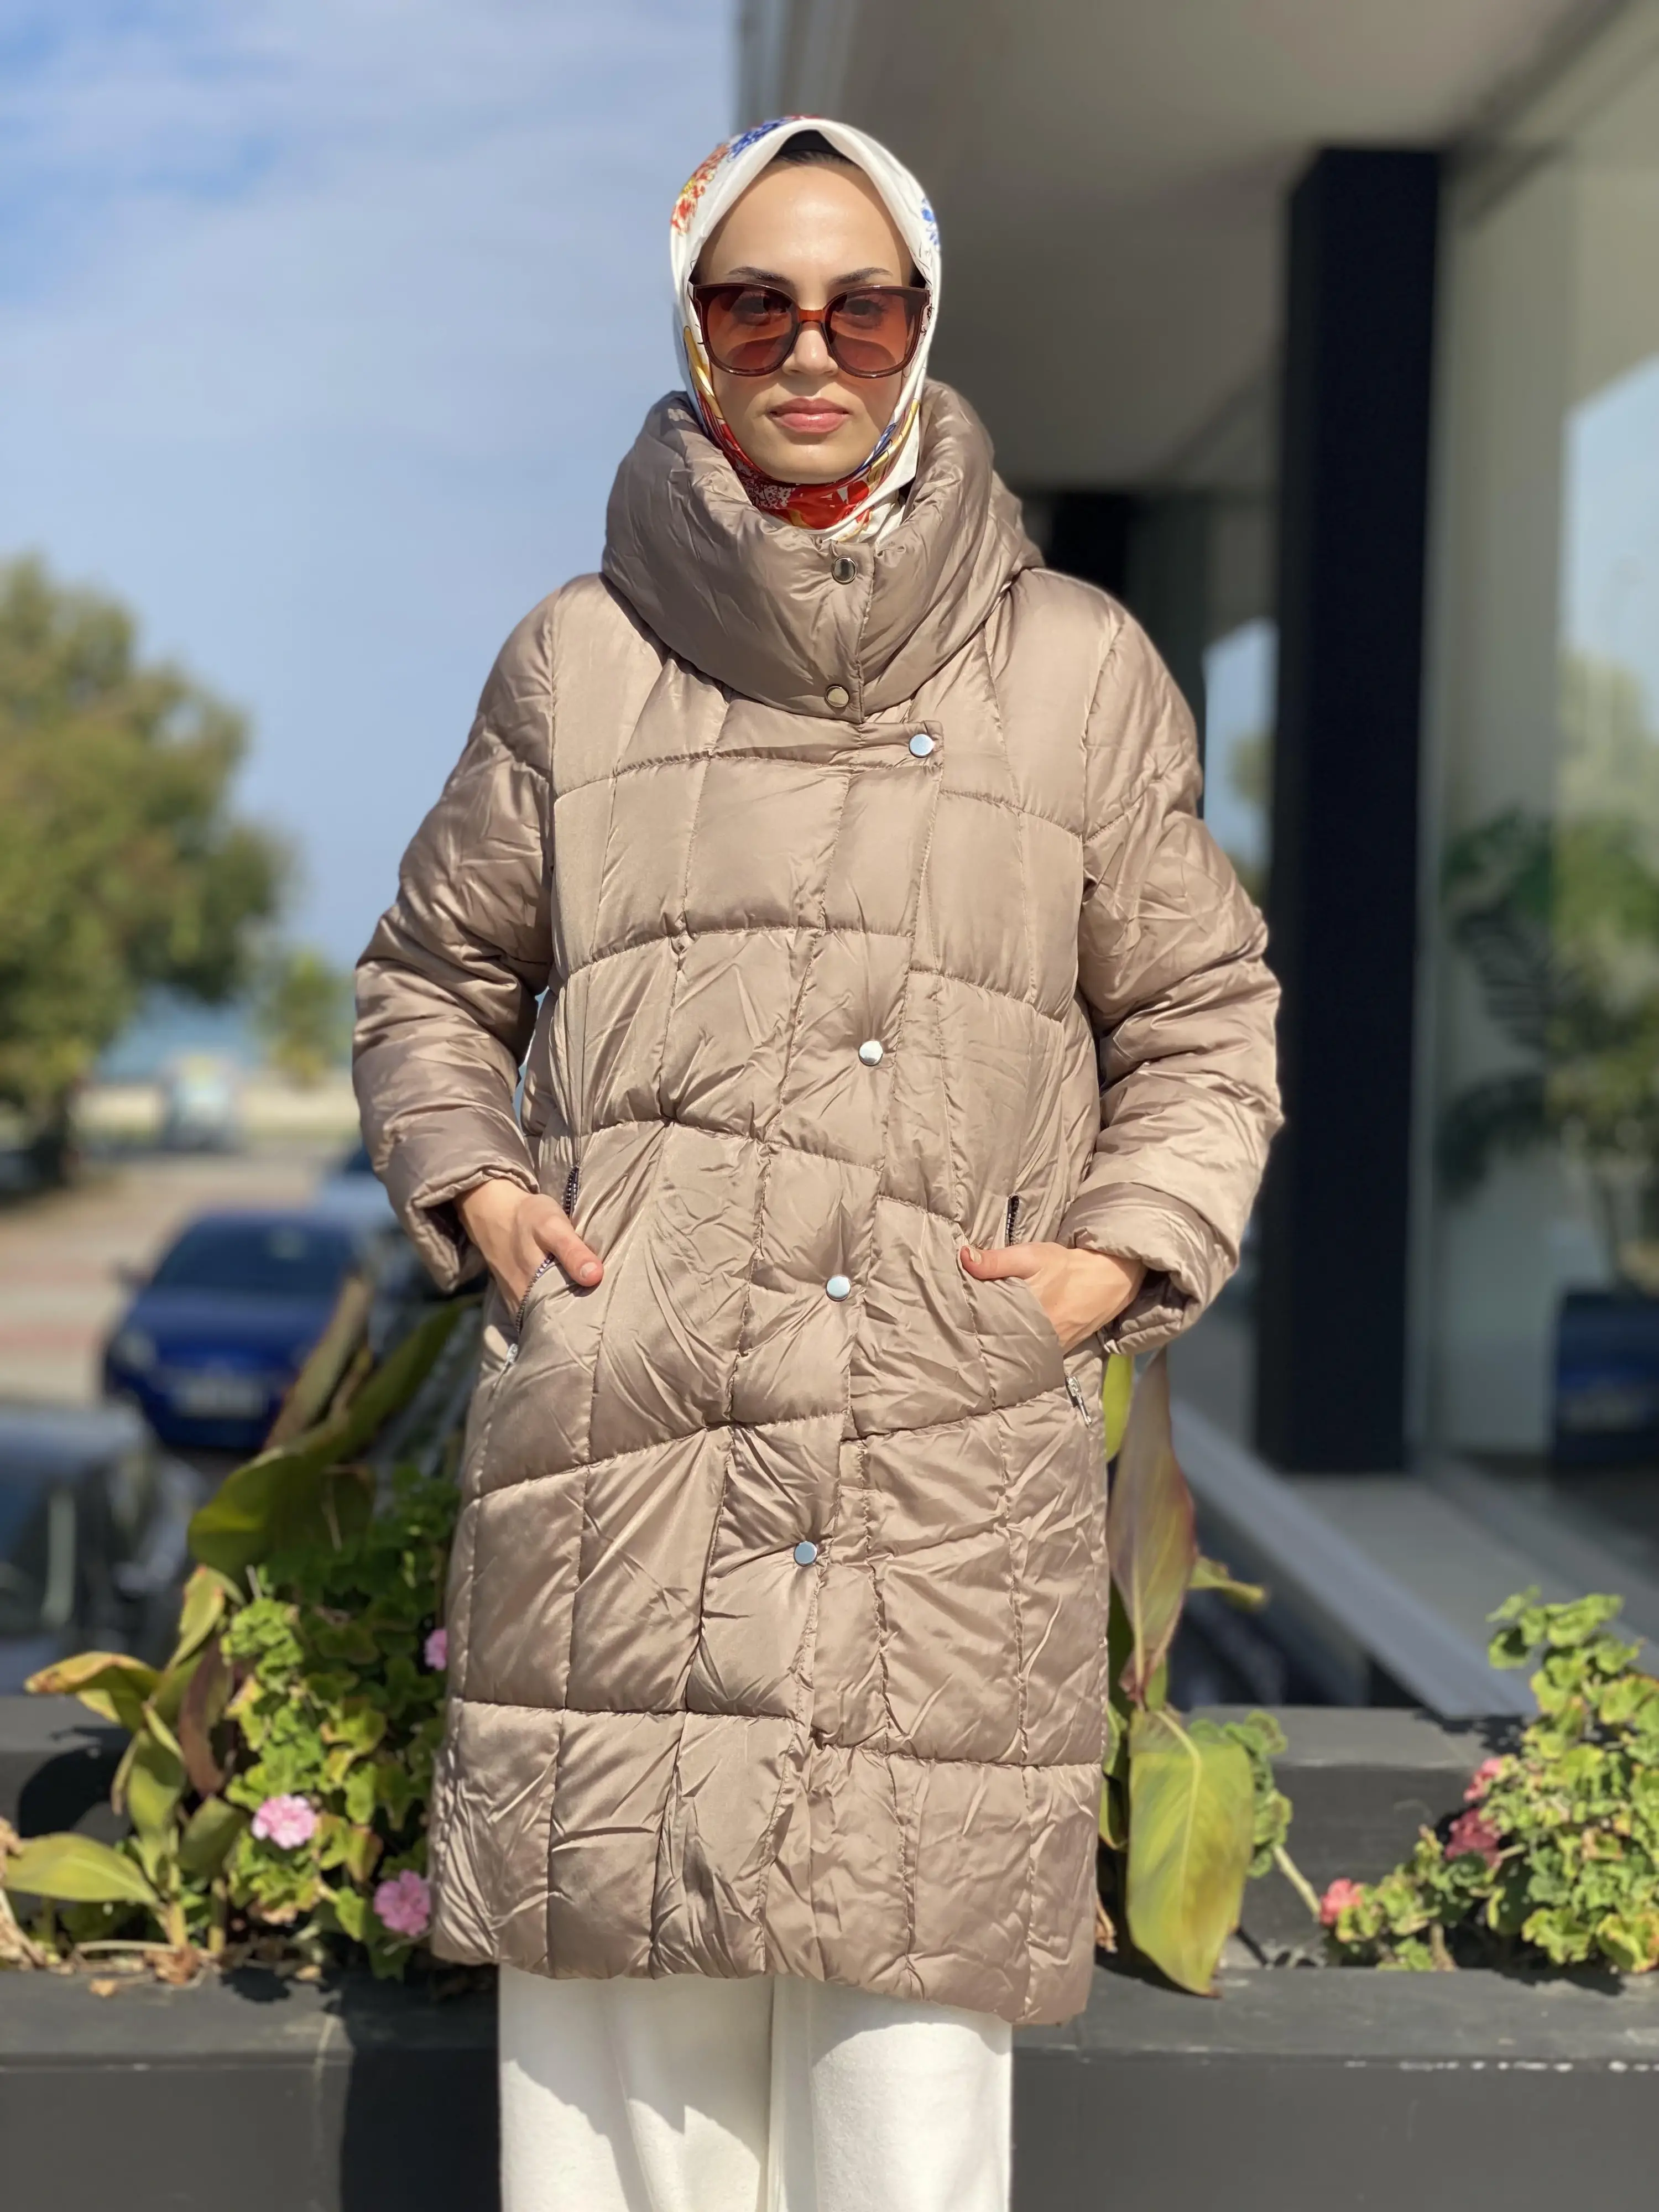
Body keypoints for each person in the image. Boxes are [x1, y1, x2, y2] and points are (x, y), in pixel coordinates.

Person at [354, 116, 1280, 2212]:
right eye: (753, 302)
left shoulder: (1078, 668)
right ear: (690, 326)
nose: (807, 348)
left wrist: (1108, 1265)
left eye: (861, 307)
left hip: (937, 1466)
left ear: (921, 326)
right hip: (627, 1456)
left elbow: (1205, 1017)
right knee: (620, 2111)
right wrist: (483, 1195)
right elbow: (430, 982)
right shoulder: (578, 659)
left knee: (903, 2117)